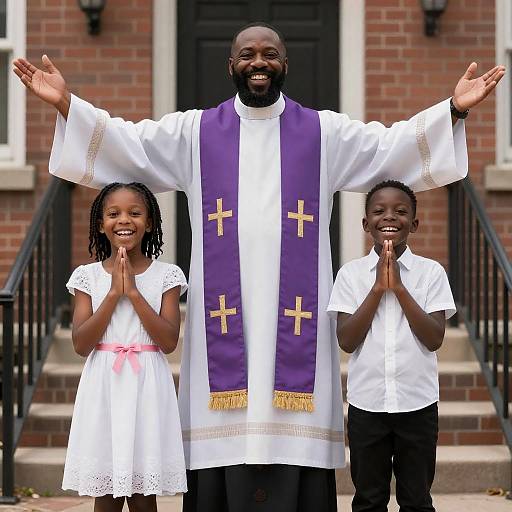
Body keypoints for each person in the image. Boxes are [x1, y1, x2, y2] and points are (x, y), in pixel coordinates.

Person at [13, 21, 503, 512]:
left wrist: (453, 110)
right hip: (224, 322)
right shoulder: (195, 132)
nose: (258, 63)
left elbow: (387, 147)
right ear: (231, 66)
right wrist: (64, 104)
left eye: (270, 54)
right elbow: (130, 143)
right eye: (247, 54)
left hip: (297, 324)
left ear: (285, 65)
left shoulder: (323, 132)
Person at [328, 180, 456, 512]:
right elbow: (347, 340)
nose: (390, 217)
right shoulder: (350, 275)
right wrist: (376, 289)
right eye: (379, 210)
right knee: (369, 498)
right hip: (367, 405)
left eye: (401, 212)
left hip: (418, 404)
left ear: (414, 223)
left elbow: (434, 338)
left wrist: (398, 287)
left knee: (416, 499)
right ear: (365, 223)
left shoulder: (431, 274)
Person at [63, 182, 188, 512]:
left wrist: (132, 291)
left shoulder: (167, 276)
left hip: (147, 384)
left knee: (143, 492)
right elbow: (81, 343)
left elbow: (168, 341)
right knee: (104, 490)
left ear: (149, 222)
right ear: (100, 223)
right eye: (113, 213)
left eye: (135, 213)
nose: (124, 220)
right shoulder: (86, 276)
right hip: (104, 384)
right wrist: (114, 294)